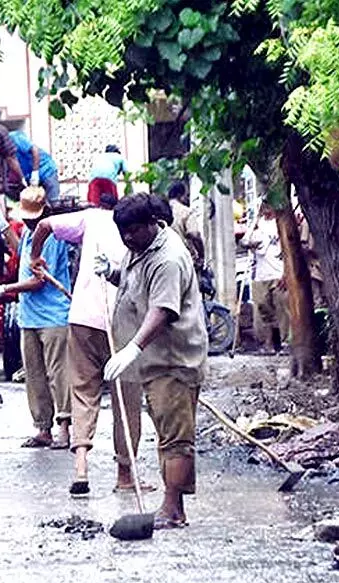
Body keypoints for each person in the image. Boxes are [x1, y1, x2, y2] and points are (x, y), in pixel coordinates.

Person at [100, 193, 208, 529]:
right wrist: (113, 272)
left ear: (152, 224)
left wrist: (133, 347)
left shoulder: (167, 259)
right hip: (154, 360)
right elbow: (137, 287)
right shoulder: (140, 249)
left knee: (175, 437)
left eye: (134, 231)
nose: (128, 238)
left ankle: (172, 508)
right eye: (123, 233)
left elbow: (161, 309)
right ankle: (174, 504)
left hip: (172, 360)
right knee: (167, 431)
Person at [28, 199, 144, 494]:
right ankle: (125, 476)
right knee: (125, 397)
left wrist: (35, 257)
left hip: (83, 318)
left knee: (83, 391)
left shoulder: (90, 219)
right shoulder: (139, 226)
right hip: (122, 322)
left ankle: (81, 468)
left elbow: (43, 225)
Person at [0, 187, 71, 451]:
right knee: (34, 374)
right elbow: (20, 253)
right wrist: (2, 226)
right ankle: (43, 428)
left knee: (59, 373)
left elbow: (39, 280)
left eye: (32, 218)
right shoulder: (27, 233)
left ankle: (65, 429)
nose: (28, 222)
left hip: (53, 316)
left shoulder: (54, 238)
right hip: (29, 316)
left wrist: (6, 289)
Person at [244, 205, 288, 353]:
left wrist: (286, 272)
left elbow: (288, 248)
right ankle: (267, 343)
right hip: (260, 273)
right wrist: (250, 242)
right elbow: (243, 242)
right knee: (263, 308)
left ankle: (285, 343)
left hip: (278, 271)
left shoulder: (281, 223)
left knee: (282, 308)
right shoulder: (257, 225)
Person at [9, 130, 61, 201]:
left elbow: (34, 149)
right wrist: (22, 178)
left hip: (46, 170)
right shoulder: (0, 151)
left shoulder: (14, 137)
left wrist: (35, 173)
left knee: (53, 203)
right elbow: (13, 162)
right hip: (28, 177)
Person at [167, 181, 205, 270]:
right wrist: (201, 256)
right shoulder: (186, 212)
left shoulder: (160, 211)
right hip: (185, 260)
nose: (187, 199)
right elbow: (194, 235)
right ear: (180, 195)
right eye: (186, 195)